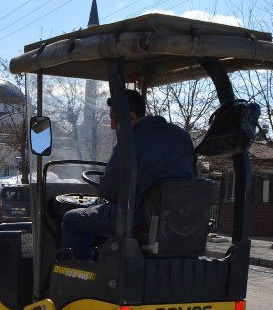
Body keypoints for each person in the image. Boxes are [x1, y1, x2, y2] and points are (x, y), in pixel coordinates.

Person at [61, 89, 197, 260]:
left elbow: (108, 191)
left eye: (113, 119)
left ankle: (82, 276)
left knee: (71, 219)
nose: (111, 126)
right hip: (176, 222)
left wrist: (104, 183)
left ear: (131, 118)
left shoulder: (130, 141)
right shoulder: (182, 136)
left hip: (136, 218)